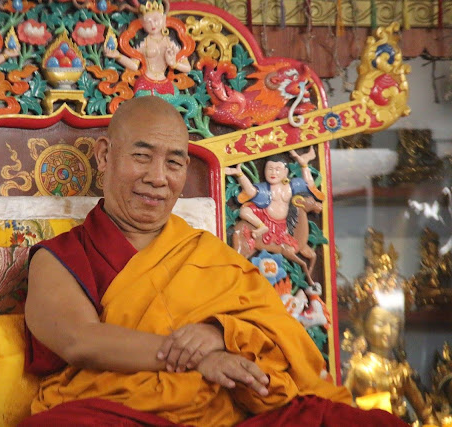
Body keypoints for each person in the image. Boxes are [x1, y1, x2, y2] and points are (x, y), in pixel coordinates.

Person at [21, 96, 407, 426]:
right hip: (122, 412)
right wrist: (200, 357)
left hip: (228, 412)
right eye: (141, 156)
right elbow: (80, 340)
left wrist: (222, 333)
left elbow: (282, 339)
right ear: (105, 155)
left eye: (174, 163)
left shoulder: (209, 254)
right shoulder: (60, 258)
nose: (158, 177)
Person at [343, 305, 440, 425]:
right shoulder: (356, 368)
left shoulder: (402, 372)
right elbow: (340, 409)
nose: (388, 332)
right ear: (364, 327)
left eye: (394, 325)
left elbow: (427, 414)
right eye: (380, 324)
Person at [224, 151, 323, 244]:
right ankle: (261, 226)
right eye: (270, 169)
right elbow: (251, 191)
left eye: (277, 169)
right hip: (265, 218)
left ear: (285, 172)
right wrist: (240, 174)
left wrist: (304, 165)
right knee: (244, 211)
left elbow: (309, 184)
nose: (273, 173)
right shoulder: (266, 188)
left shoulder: (293, 186)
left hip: (285, 223)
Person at [104, 0, 191, 95]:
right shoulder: (142, 43)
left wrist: (174, 64)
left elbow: (187, 68)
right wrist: (118, 56)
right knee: (143, 101)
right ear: (142, 23)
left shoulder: (171, 43)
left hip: (164, 82)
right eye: (148, 22)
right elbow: (134, 66)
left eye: (156, 20)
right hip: (145, 82)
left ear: (163, 19)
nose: (153, 25)